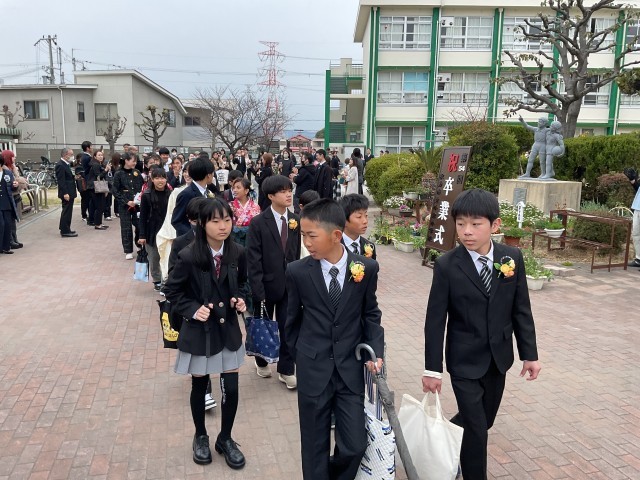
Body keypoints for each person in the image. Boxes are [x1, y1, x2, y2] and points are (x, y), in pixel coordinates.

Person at [422, 188, 541, 480]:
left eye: (476, 224)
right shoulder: (448, 265)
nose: (467, 231)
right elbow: (435, 321)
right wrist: (432, 370)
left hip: (498, 359)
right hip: (463, 361)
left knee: (483, 421)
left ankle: (448, 435)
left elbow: (521, 310)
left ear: (495, 225)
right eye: (461, 223)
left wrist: (529, 355)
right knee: (477, 430)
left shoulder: (512, 258)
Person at [285, 198, 384, 480]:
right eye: (303, 235)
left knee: (354, 445)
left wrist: (375, 351)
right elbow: (291, 320)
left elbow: (371, 314)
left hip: (350, 369)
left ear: (336, 235)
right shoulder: (297, 271)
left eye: (312, 236)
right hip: (313, 369)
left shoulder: (366, 268)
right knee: (313, 445)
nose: (306, 243)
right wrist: (301, 356)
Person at [163, 198, 248, 470]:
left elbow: (243, 284)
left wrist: (240, 299)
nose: (223, 226)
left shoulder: (237, 252)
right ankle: (200, 436)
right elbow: (171, 290)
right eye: (216, 221)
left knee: (231, 388)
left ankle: (225, 438)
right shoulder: (189, 255)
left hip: (228, 330)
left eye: (227, 220)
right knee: (199, 386)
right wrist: (192, 309)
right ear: (202, 223)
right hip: (200, 331)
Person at [246, 175, 300, 388]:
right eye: (283, 191)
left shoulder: (295, 220)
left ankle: (286, 370)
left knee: (288, 327)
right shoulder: (258, 222)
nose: (288, 194)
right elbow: (253, 259)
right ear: (270, 196)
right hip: (265, 286)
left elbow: (295, 253)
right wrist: (257, 290)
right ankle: (261, 361)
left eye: (289, 190)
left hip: (289, 285)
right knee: (263, 326)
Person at [139, 167, 171, 292]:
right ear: (152, 179)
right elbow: (142, 217)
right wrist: (142, 235)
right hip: (151, 232)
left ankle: (166, 281)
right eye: (157, 178)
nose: (160, 181)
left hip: (167, 231)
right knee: (154, 258)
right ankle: (157, 280)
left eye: (162, 178)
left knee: (167, 257)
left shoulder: (171, 194)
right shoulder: (146, 195)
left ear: (166, 179)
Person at [157, 166, 192, 281]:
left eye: (190, 172)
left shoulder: (208, 192)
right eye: (185, 171)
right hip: (180, 234)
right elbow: (171, 215)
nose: (187, 174)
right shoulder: (177, 192)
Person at [171, 158, 217, 237]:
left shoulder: (208, 191)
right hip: (193, 240)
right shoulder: (186, 194)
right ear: (208, 175)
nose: (213, 175)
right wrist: (194, 234)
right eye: (213, 173)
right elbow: (177, 221)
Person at [113, 153, 144, 259]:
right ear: (126, 160)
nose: (135, 163)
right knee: (126, 227)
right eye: (133, 161)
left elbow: (142, 187)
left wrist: (138, 199)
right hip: (124, 205)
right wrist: (126, 201)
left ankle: (139, 244)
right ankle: (128, 250)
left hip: (137, 204)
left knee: (139, 225)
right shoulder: (118, 174)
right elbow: (115, 190)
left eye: (136, 161)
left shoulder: (137, 172)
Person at [339, 194, 376, 259]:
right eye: (359, 217)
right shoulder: (333, 246)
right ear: (344, 220)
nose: (365, 221)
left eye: (366, 215)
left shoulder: (369, 246)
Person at [1, 150, 24, 249]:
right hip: (8, 198)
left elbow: (17, 182)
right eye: (12, 156)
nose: (14, 158)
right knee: (7, 221)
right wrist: (18, 182)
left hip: (15, 196)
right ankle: (10, 240)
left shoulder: (12, 168)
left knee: (12, 219)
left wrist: (17, 182)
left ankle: (14, 239)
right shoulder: (4, 170)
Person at [229, 178, 260, 247]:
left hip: (251, 239)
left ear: (246, 191)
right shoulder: (230, 206)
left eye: (238, 188)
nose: (234, 190)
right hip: (234, 240)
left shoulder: (255, 207)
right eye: (233, 188)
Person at [55, 147, 78, 238]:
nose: (72, 156)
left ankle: (66, 228)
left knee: (68, 211)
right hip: (66, 192)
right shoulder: (60, 165)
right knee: (66, 211)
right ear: (65, 155)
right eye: (71, 154)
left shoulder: (66, 164)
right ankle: (64, 230)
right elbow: (61, 181)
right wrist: (65, 193)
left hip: (70, 190)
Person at [85, 150, 110, 231]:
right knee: (100, 206)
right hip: (95, 187)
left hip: (93, 187)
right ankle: (98, 224)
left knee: (95, 205)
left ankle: (96, 222)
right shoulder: (96, 165)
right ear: (95, 157)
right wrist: (106, 170)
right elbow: (98, 176)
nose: (101, 156)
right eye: (99, 155)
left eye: (101, 155)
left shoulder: (97, 164)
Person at [297, 190, 319, 258]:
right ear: (301, 207)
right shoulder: (296, 223)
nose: (314, 210)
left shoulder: (321, 222)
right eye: (310, 208)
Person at [627, 167, 640, 268]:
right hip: (637, 208)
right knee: (636, 234)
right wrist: (633, 181)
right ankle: (638, 259)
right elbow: (638, 189)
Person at [80, 141, 93, 223]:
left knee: (86, 199)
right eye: (91, 146)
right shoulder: (87, 157)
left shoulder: (85, 156)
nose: (92, 148)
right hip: (87, 179)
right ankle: (85, 215)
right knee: (87, 199)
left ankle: (85, 215)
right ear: (88, 148)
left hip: (86, 179)